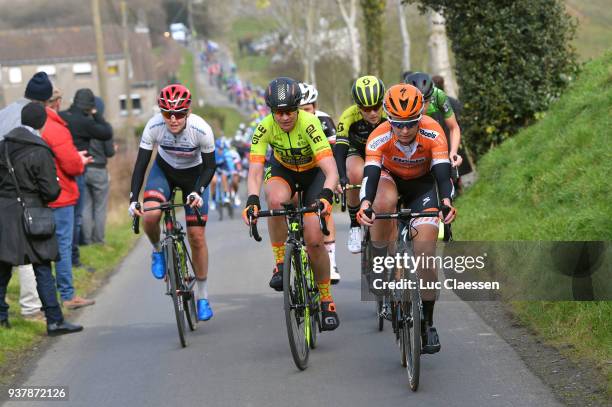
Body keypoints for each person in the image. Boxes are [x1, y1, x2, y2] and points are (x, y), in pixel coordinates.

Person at [357, 84, 457, 353]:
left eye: (410, 124)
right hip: (391, 180)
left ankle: (427, 323)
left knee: (425, 254)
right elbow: (370, 175)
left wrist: (446, 201)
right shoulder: (378, 136)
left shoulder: (433, 131)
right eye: (398, 125)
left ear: (420, 117)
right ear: (389, 119)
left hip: (422, 186)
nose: (404, 131)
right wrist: (365, 203)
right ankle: (383, 264)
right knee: (382, 202)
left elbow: (442, 173)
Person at [242, 77, 340, 331]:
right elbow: (255, 170)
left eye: (289, 112)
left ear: (298, 108)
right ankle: (281, 262)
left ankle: (326, 298)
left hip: (313, 174)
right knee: (273, 200)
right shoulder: (264, 128)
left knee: (315, 238)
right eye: (279, 112)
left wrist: (326, 197)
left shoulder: (310, 124)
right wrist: (251, 200)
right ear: (271, 111)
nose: (284, 117)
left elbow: (331, 170)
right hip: (283, 171)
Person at [129, 84, 216, 321]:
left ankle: (203, 297)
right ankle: (158, 251)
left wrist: (198, 191)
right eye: (168, 114)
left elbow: (210, 166)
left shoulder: (201, 129)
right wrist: (132, 198)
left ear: (188, 111)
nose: (174, 119)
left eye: (179, 114)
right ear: (162, 113)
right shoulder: (154, 126)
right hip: (164, 172)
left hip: (195, 176)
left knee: (196, 236)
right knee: (150, 215)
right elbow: (141, 165)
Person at [0, 102, 83, 335]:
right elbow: (51, 192)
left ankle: (1, 318)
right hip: (34, 215)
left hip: (4, 214)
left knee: (3, 267)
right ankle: (55, 321)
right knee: (43, 268)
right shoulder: (40, 149)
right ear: (42, 123)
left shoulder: (3, 146)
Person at [0, 71, 54, 320]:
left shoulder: (5, 113)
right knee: (31, 254)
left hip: (4, 195)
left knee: (5, 256)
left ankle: (4, 313)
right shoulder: (33, 120)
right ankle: (33, 307)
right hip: (25, 199)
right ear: (44, 101)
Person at [42, 87, 95, 310]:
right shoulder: (55, 127)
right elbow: (70, 165)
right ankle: (68, 295)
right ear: (57, 102)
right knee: (63, 245)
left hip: (42, 194)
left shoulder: (35, 124)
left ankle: (48, 299)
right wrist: (79, 161)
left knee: (44, 248)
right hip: (61, 193)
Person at [60, 89, 113, 268]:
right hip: (87, 169)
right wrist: (96, 115)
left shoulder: (61, 117)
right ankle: (96, 242)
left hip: (64, 169)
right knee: (96, 208)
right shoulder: (85, 123)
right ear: (90, 107)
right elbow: (107, 133)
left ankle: (86, 241)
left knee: (84, 209)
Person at [335, 75, 386, 254]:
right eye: (366, 108)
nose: (373, 113)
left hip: (384, 150)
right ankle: (355, 224)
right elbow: (340, 149)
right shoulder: (348, 116)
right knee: (355, 174)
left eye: (376, 107)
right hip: (357, 150)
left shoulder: (390, 111)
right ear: (358, 106)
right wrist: (341, 176)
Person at [298, 82, 341, 284]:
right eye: (300, 110)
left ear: (314, 107)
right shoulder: (287, 122)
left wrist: (337, 180)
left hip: (319, 168)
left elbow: (334, 153)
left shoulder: (324, 120)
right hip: (295, 169)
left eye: (307, 109)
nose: (304, 114)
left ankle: (331, 260)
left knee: (325, 206)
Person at [403, 72, 463, 169]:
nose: (422, 107)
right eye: (417, 101)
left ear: (431, 96)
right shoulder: (400, 98)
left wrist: (453, 152)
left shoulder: (439, 96)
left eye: (425, 101)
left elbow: (454, 127)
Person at [81, 96, 115, 244]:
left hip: (83, 169)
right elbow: (109, 152)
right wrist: (113, 149)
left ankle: (87, 241)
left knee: (86, 207)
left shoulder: (82, 126)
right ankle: (99, 240)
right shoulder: (103, 127)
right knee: (100, 207)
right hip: (99, 170)